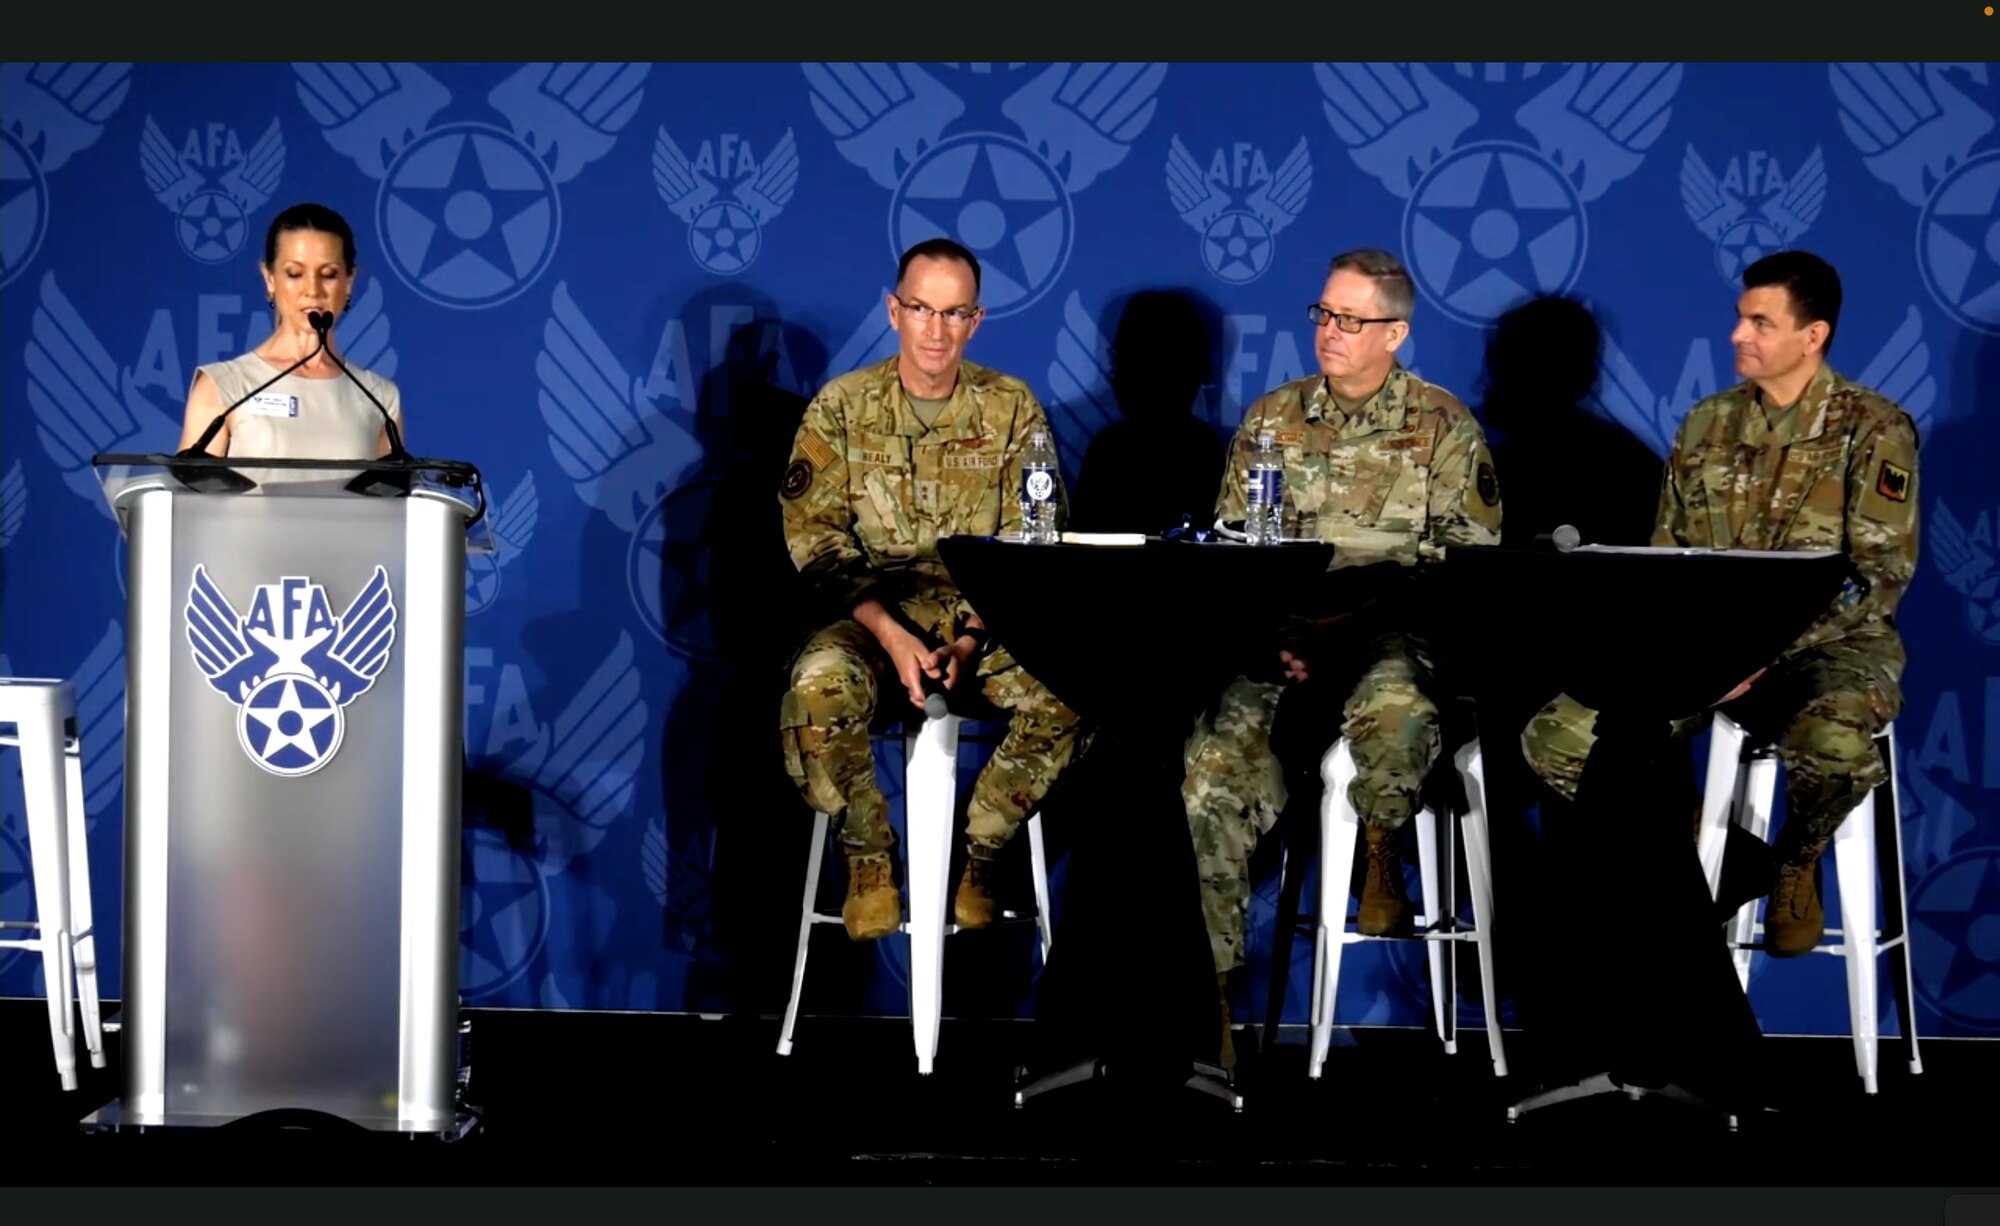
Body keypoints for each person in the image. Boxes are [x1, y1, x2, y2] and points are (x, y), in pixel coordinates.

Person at [1520, 250, 1920, 957]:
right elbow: (1667, 561)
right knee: (1557, 733)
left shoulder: (1874, 429)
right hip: (1707, 656)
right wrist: (1700, 656)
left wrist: (1761, 652)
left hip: (1829, 653)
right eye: (1740, 319)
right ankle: (1720, 855)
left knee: (1835, 748)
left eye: (1761, 323)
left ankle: (1797, 855)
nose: (1739, 335)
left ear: (1813, 335)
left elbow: (1877, 577)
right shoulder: (1706, 425)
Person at [1180, 247, 1502, 1066]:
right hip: (1281, 640)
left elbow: (1467, 570)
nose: (1330, 333)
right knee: (1211, 772)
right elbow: (1231, 550)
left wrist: (1348, 622)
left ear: (1395, 332)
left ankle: (1381, 843)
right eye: (1324, 314)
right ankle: (1209, 1003)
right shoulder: (1271, 419)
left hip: (1386, 631)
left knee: (1399, 719)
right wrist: (1274, 632)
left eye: (1352, 321)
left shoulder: (1442, 428)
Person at [777, 237, 1083, 941]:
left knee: (1071, 688)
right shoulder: (842, 408)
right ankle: (869, 855)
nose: (937, 330)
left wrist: (973, 638)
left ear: (976, 321)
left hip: (988, 619)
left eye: (954, 313)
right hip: (872, 618)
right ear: (894, 311)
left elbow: (1032, 540)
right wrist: (890, 632)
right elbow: (814, 540)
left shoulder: (1011, 407)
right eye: (922, 309)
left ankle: (977, 855)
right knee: (818, 688)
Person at [176, 202, 402, 461]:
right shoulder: (224, 386)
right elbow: (190, 497)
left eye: (328, 274)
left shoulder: (380, 398)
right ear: (269, 278)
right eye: (294, 274)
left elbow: (390, 501)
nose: (312, 290)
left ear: (349, 281)